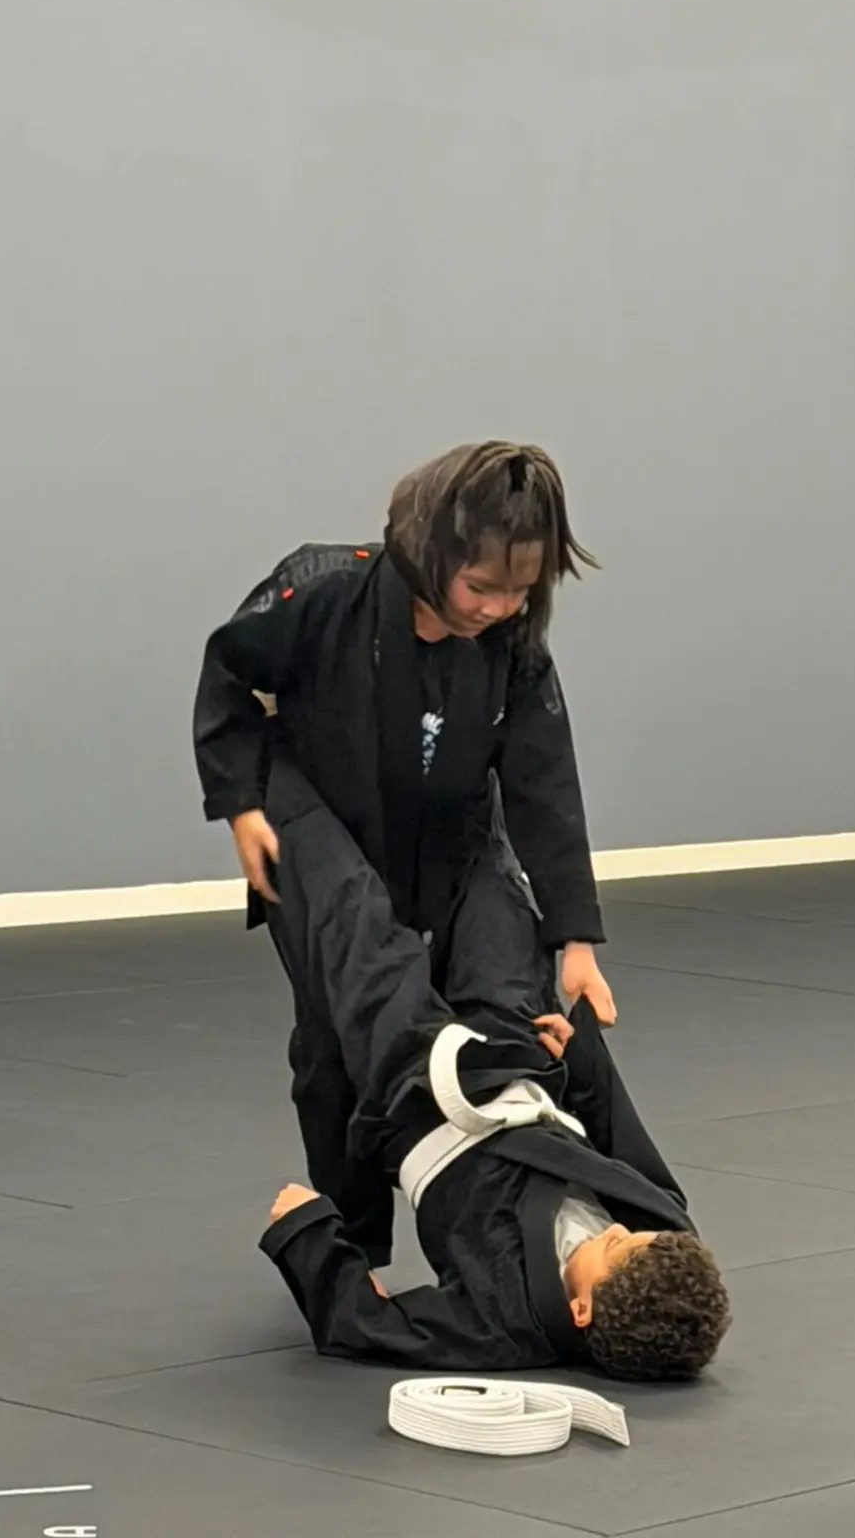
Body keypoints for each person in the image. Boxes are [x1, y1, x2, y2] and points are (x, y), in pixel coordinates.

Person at [193, 440, 618, 1270]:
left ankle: (516, 1231)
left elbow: (543, 783)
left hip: (453, 835)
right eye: (481, 587)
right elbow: (229, 673)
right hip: (315, 825)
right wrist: (241, 805)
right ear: (432, 554)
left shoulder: (513, 644)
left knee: (511, 1003)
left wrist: (575, 940)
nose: (498, 607)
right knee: (343, 1030)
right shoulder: (323, 590)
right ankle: (353, 1252)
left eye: (520, 591)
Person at [255, 756, 730, 1378]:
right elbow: (624, 1141)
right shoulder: (664, 1235)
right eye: (636, 1235)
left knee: (355, 915)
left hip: (418, 1093)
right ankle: (452, 742)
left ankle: (277, 765)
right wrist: (583, 1062)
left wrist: (307, 1232)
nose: (621, 1231)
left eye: (615, 1248)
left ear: (580, 1310)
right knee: (493, 887)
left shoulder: (504, 1323)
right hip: (524, 1057)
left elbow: (362, 1325)